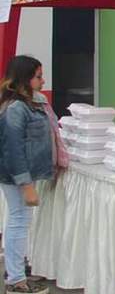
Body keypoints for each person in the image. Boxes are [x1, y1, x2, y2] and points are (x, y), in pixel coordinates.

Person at [0, 56, 65, 294]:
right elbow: (13, 149)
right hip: (17, 175)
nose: (43, 80)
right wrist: (26, 184)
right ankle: (16, 281)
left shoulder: (30, 103)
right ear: (25, 79)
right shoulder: (16, 108)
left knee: (19, 221)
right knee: (18, 221)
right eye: (38, 76)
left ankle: (16, 271)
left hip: (23, 174)